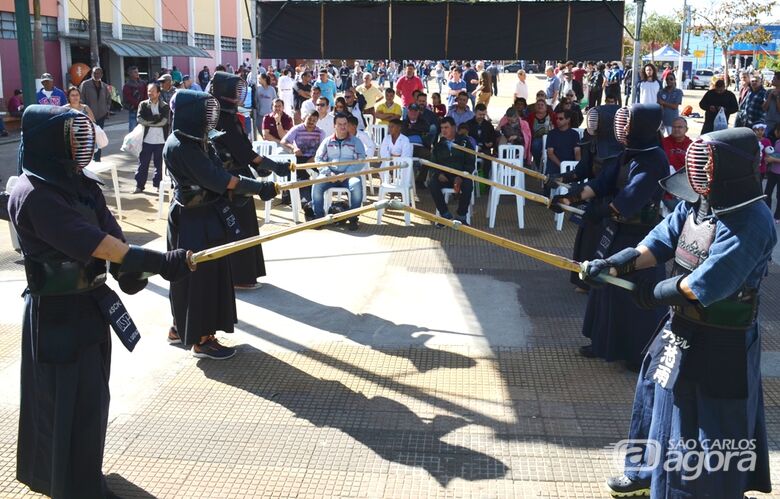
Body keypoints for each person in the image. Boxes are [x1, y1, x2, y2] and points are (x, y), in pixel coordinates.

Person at [9, 104, 191, 499]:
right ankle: (66, 485)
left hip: (89, 305)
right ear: (49, 143)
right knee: (60, 404)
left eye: (81, 135)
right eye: (72, 137)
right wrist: (156, 262)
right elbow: (90, 241)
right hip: (55, 316)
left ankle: (85, 477)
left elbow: (111, 234)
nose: (81, 143)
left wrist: (131, 270)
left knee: (92, 400)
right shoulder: (33, 194)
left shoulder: (80, 183)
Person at [598, 127, 775, 499]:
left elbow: (705, 284)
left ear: (728, 169)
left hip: (722, 340)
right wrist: (617, 264)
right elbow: (661, 239)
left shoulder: (752, 220)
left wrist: (655, 292)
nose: (697, 172)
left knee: (707, 425)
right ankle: (644, 471)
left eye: (705, 165)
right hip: (680, 325)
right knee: (654, 392)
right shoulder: (701, 201)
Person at [551, 104, 669, 370]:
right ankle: (603, 342)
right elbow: (602, 182)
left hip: (639, 240)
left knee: (631, 296)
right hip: (616, 231)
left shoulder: (653, 159)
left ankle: (637, 354)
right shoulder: (629, 154)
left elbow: (628, 201)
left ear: (642, 126)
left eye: (627, 123)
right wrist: (569, 197)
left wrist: (595, 211)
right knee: (603, 283)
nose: (622, 128)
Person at [164, 89, 279, 357]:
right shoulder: (181, 146)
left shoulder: (197, 141)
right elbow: (217, 179)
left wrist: (248, 187)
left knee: (205, 276)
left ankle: (181, 329)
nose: (209, 121)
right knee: (199, 278)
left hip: (206, 213)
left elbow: (221, 172)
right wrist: (257, 187)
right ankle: (200, 340)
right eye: (204, 114)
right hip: (192, 220)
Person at [210, 73, 291, 291]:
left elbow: (245, 151)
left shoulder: (223, 115)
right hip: (231, 182)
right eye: (235, 92)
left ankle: (239, 275)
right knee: (239, 227)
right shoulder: (222, 119)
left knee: (242, 225)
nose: (239, 96)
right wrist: (274, 166)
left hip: (234, 175)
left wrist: (260, 166)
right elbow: (243, 151)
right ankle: (240, 277)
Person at [546, 105, 623, 291]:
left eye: (597, 120)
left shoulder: (619, 149)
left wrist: (569, 199)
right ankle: (584, 280)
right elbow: (583, 169)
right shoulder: (593, 141)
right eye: (592, 119)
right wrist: (562, 178)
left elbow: (605, 182)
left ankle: (598, 282)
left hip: (612, 203)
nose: (592, 123)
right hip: (593, 197)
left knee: (603, 243)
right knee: (587, 240)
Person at [311, 113, 367, 231]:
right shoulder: (327, 141)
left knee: (356, 185)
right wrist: (328, 173)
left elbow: (361, 160)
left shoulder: (356, 141)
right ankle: (319, 217)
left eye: (345, 124)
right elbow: (318, 159)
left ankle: (353, 218)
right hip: (330, 175)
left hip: (349, 176)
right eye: (340, 124)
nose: (343, 127)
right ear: (334, 126)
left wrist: (346, 174)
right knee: (316, 185)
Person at [427, 117, 475, 224]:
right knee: (432, 183)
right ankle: (445, 214)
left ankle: (461, 215)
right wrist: (438, 174)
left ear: (454, 128)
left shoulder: (464, 142)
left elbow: (471, 161)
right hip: (444, 176)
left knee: (468, 184)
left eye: (446, 127)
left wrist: (461, 176)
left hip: (461, 175)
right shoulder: (438, 144)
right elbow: (433, 163)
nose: (443, 130)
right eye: (442, 128)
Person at [280, 111, 324, 212]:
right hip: (299, 158)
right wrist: (293, 148)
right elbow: (284, 141)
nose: (311, 122)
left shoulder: (320, 132)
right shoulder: (297, 129)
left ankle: (315, 200)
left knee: (322, 175)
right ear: (304, 118)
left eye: (314, 120)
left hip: (313, 159)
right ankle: (307, 202)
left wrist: (313, 159)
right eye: (309, 119)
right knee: (301, 176)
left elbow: (322, 149)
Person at [133, 82, 169, 193]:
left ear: (158, 93)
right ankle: (139, 186)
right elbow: (139, 119)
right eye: (149, 91)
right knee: (143, 163)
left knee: (159, 164)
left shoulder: (164, 106)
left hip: (161, 140)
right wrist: (153, 122)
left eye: (153, 91)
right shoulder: (143, 104)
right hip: (146, 140)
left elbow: (164, 122)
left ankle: (159, 185)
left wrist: (149, 122)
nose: (150, 93)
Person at [544, 108, 581, 195]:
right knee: (549, 190)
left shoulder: (574, 134)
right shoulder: (552, 134)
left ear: (568, 120)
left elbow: (577, 152)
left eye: (561, 119)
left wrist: (578, 166)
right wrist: (561, 165)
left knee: (576, 186)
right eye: (556, 118)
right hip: (555, 166)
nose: (557, 121)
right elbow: (550, 153)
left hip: (569, 167)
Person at [79, 67, 112, 162]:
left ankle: (97, 158)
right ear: (91, 74)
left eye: (98, 73)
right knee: (89, 137)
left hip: (101, 115)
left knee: (99, 136)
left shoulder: (105, 86)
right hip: (88, 116)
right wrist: (84, 112)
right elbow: (81, 99)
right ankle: (88, 158)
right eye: (94, 73)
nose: (96, 75)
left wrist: (107, 109)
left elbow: (109, 99)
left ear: (102, 75)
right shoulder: (85, 84)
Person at [527, 101, 553, 167]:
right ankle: (538, 164)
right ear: (535, 107)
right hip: (536, 138)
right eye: (538, 105)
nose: (540, 106)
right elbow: (527, 128)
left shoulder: (552, 115)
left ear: (546, 107)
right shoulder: (531, 116)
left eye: (542, 105)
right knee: (535, 145)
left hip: (549, 138)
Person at [122, 66, 147, 131]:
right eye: (135, 72)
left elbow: (145, 94)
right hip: (133, 109)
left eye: (137, 72)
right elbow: (129, 98)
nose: (137, 73)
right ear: (130, 74)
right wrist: (139, 104)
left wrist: (144, 104)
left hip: (143, 109)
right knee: (133, 129)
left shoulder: (143, 83)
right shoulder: (127, 85)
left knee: (143, 128)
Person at [254, 73, 276, 137]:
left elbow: (275, 101)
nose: (258, 80)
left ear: (264, 79)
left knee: (270, 131)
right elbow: (255, 100)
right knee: (259, 128)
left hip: (270, 115)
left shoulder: (272, 89)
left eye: (259, 79)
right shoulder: (258, 89)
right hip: (260, 114)